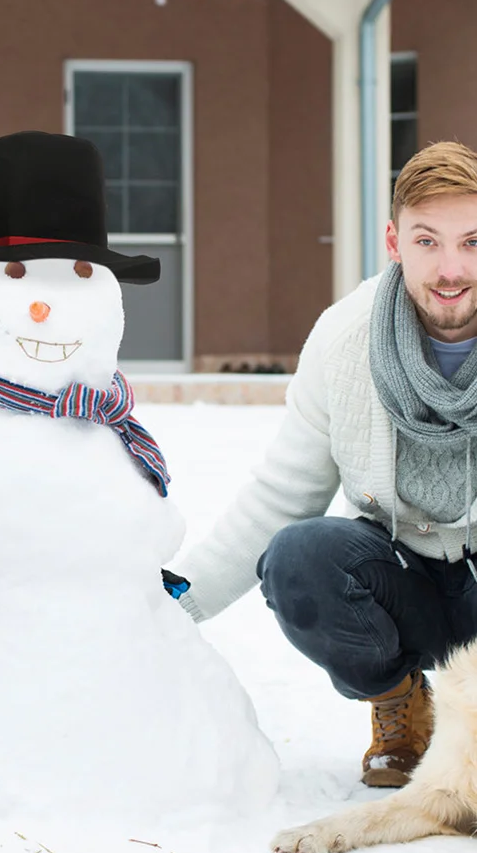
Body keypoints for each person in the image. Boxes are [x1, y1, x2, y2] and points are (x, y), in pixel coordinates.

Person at [165, 140, 477, 789]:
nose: (451, 268)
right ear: (393, 242)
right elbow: (281, 495)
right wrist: (171, 602)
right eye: (428, 241)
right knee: (299, 557)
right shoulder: (346, 338)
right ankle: (401, 706)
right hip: (401, 577)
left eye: (472, 242)